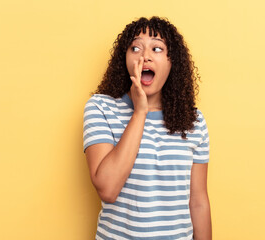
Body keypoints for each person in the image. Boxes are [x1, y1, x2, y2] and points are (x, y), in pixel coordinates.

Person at [83, 16, 212, 240]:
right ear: (124, 59)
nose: (145, 56)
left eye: (157, 48)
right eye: (135, 48)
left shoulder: (194, 121)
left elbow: (199, 202)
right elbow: (108, 189)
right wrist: (139, 112)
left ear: (173, 62)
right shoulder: (100, 108)